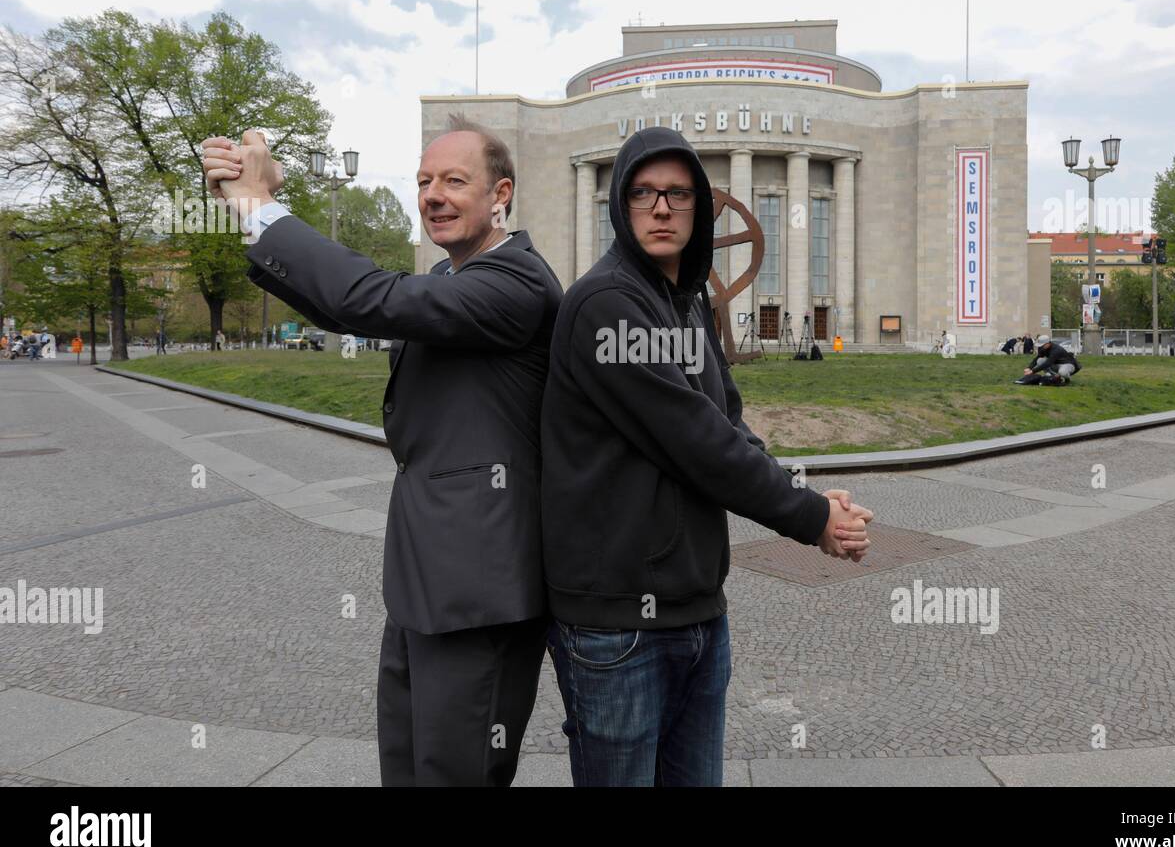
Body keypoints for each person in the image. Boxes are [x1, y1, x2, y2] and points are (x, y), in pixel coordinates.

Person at [201, 115, 563, 786]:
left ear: (501, 193)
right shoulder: (458, 281)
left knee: (453, 774)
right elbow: (348, 307)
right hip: (427, 584)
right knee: (408, 769)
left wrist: (262, 204)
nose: (432, 194)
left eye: (455, 180)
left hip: (479, 598)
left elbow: (365, 296)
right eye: (424, 181)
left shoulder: (517, 282)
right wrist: (244, 206)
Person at [539, 126, 872, 787]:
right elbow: (696, 439)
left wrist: (802, 493)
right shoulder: (608, 305)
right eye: (644, 193)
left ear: (699, 209)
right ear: (620, 206)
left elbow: (728, 421)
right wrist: (808, 517)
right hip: (618, 626)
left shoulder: (686, 303)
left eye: (678, 195)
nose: (662, 209)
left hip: (695, 612)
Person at [1015, 334, 1081, 385]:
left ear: (1048, 343)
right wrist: (1029, 367)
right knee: (1040, 360)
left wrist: (1032, 371)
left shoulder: (1056, 350)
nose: (1041, 346)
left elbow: (1048, 363)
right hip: (1055, 364)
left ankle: (1066, 379)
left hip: (1068, 365)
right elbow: (1037, 358)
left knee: (1062, 372)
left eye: (1042, 345)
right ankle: (1054, 377)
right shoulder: (1042, 348)